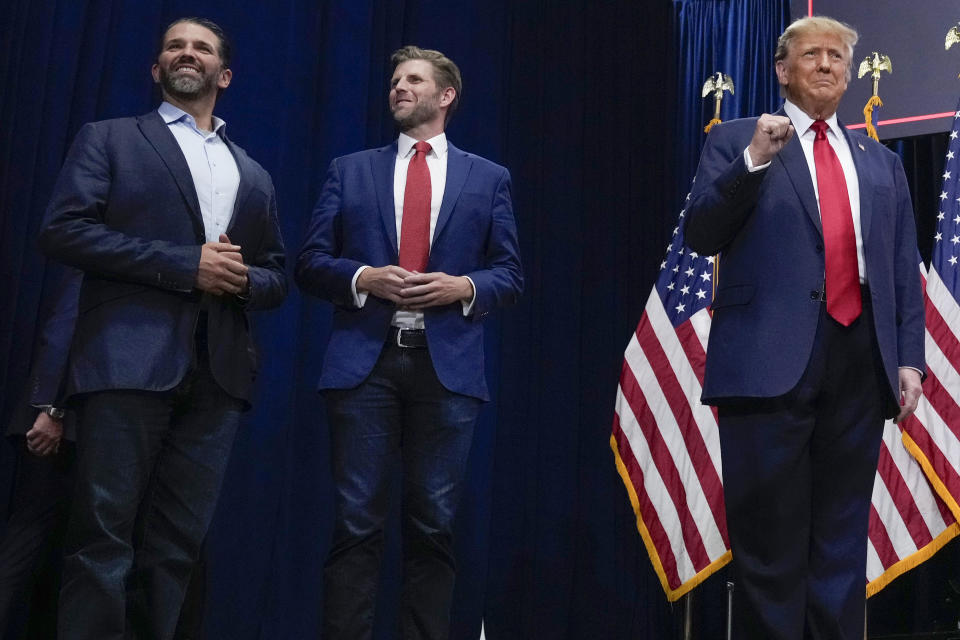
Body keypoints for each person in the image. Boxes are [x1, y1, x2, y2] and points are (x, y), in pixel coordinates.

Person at [38, 16, 286, 640]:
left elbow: (277, 274)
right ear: (156, 69)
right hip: (125, 359)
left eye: (201, 47)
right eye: (174, 45)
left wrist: (243, 281)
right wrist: (186, 265)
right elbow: (64, 230)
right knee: (102, 539)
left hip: (217, 376)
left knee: (177, 548)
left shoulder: (252, 171)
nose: (186, 53)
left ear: (223, 75)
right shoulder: (110, 138)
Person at [685, 15, 925, 640]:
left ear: (849, 74)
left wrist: (908, 360)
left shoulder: (880, 162)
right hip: (769, 361)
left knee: (842, 542)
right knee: (769, 544)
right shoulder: (738, 138)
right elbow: (701, 233)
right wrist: (755, 160)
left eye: (837, 58)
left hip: (859, 358)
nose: (826, 65)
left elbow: (901, 269)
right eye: (811, 55)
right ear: (782, 70)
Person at [295, 45, 523, 640]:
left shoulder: (488, 177)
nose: (399, 88)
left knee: (433, 527)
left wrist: (463, 285)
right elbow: (310, 261)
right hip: (363, 365)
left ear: (445, 96)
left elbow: (509, 273)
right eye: (395, 80)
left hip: (446, 370)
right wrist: (361, 278)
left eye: (413, 80)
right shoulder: (350, 170)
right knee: (355, 524)